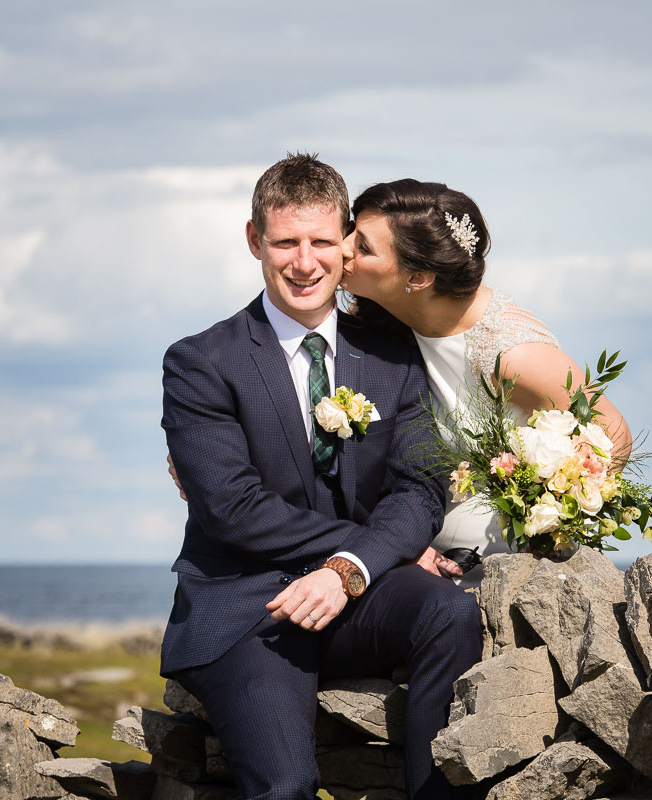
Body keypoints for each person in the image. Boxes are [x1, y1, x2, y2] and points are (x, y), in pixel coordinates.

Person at [160, 154, 481, 800]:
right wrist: (357, 554)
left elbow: (420, 489)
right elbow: (232, 508)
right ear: (255, 241)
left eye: (319, 242)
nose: (304, 262)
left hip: (356, 597)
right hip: (252, 609)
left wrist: (349, 571)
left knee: (448, 614)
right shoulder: (200, 362)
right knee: (285, 786)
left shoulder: (393, 355)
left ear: (344, 244)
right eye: (285, 242)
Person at [340, 179, 632, 586]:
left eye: (364, 247)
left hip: (498, 567)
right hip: (409, 542)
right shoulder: (379, 318)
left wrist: (545, 525)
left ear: (419, 277)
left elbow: (613, 435)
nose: (342, 247)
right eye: (352, 229)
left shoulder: (509, 355)